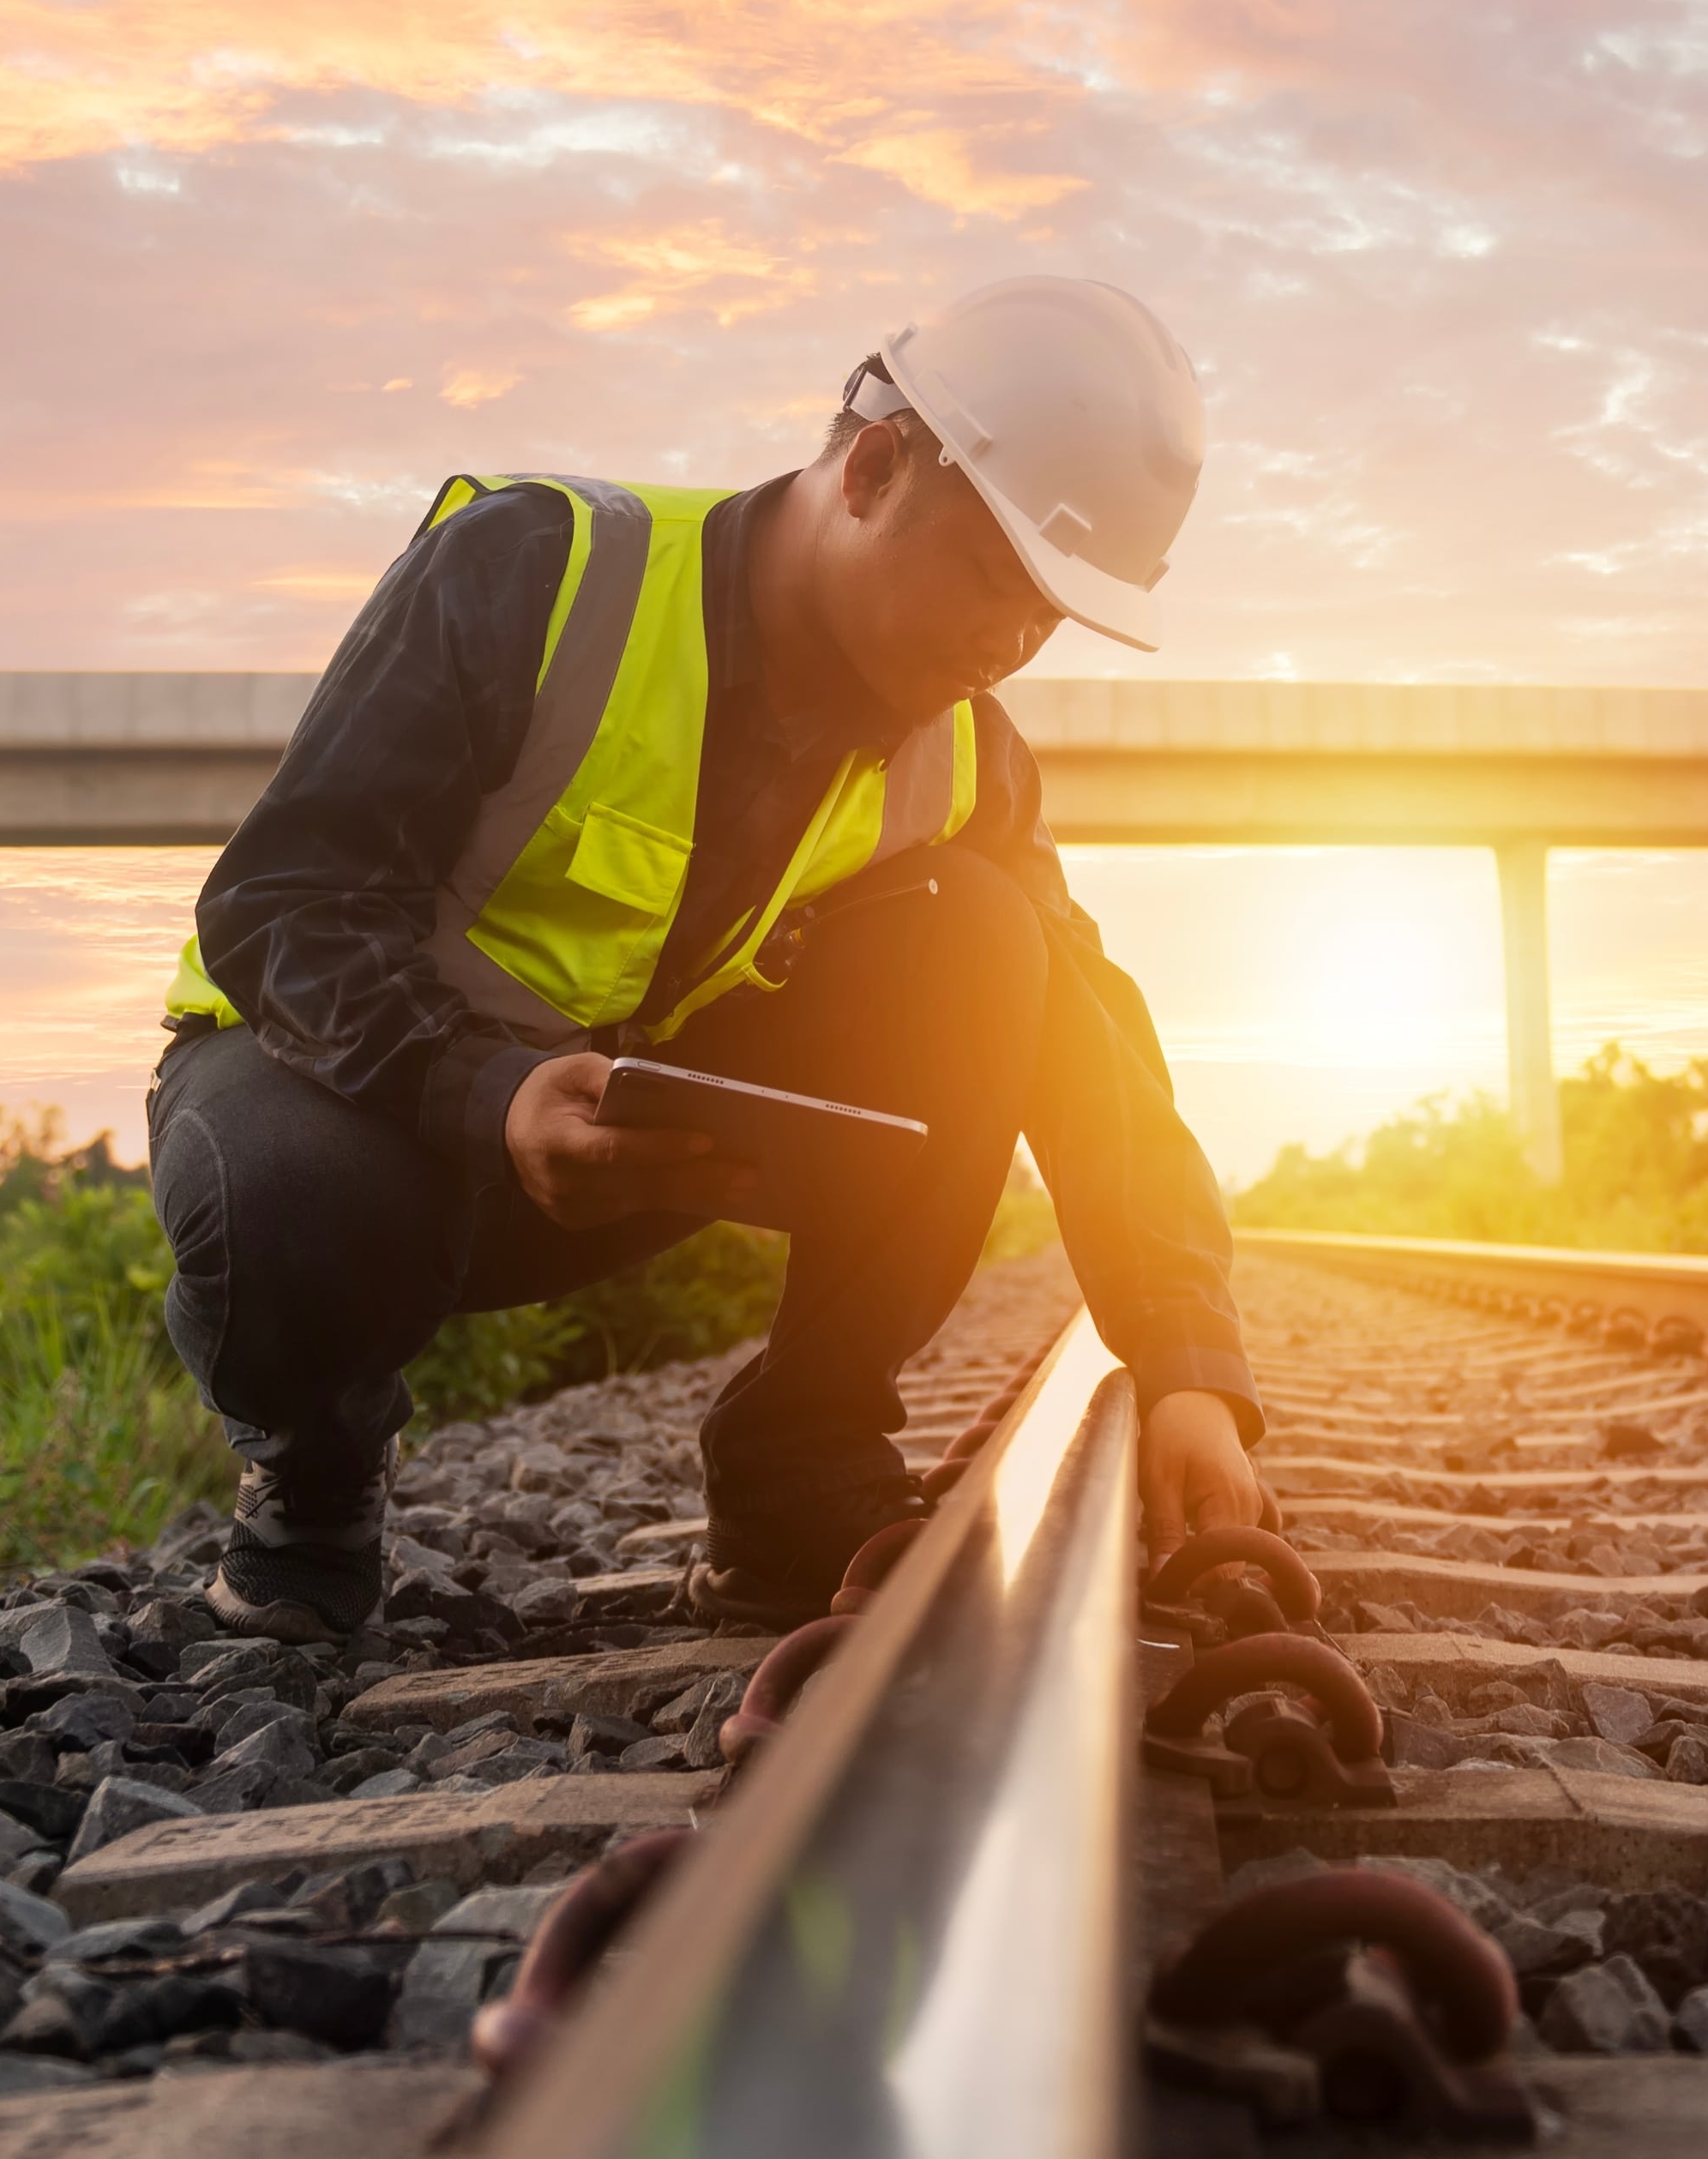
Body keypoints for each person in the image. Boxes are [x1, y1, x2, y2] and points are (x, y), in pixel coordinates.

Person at [147, 276, 1270, 1642]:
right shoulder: (537, 576)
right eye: (997, 579)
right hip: (359, 1113)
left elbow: (1093, 1048)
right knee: (282, 1181)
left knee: (997, 946)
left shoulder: (967, 749)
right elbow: (282, 901)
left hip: (625, 1148)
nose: (1010, 644)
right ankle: (313, 1490)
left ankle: (801, 1465)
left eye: (1053, 617)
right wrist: (488, 1090)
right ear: (871, 467)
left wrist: (1187, 1364)